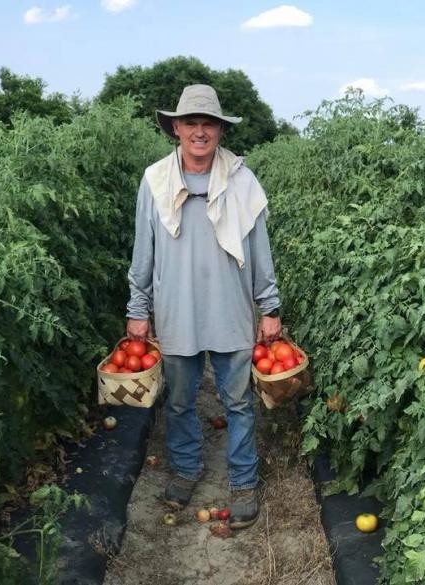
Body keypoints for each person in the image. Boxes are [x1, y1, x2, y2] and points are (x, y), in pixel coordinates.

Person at [124, 84, 282, 529]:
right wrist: (139, 307)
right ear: (176, 127)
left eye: (207, 123)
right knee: (178, 401)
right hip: (177, 309)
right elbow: (144, 251)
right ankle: (185, 469)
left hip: (230, 306)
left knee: (237, 401)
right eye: (190, 122)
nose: (199, 131)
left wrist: (268, 307)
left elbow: (259, 249)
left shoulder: (241, 181)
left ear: (219, 130)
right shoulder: (155, 181)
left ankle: (244, 479)